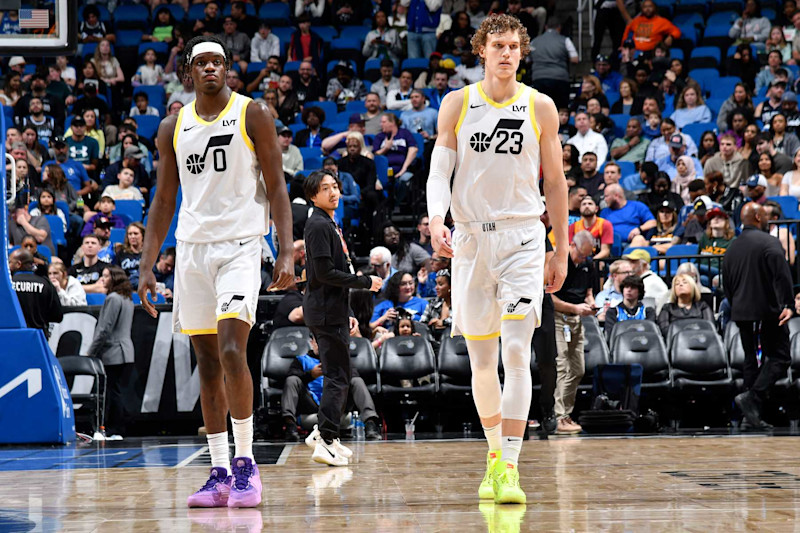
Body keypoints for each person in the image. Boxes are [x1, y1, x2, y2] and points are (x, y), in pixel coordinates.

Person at [137, 36, 295, 509]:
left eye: (218, 62)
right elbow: (165, 199)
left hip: (241, 245)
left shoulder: (253, 114)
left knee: (231, 349)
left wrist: (286, 250)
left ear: (228, 69)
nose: (210, 69)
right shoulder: (172, 126)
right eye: (202, 63)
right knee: (206, 364)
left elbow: (277, 185)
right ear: (188, 71)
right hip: (191, 250)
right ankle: (219, 471)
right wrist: (147, 264)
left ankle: (247, 466)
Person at [426, 14, 568, 504]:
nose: (506, 53)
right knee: (482, 362)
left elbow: (555, 183)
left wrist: (561, 247)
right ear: (480, 50)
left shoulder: (540, 105)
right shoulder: (457, 103)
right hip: (469, 240)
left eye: (514, 46)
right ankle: (492, 456)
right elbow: (439, 167)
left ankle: (510, 465)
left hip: (524, 238)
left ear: (522, 52)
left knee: (515, 351)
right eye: (498, 45)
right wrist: (435, 218)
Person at [301, 170, 383, 465]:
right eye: (325, 189)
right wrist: (363, 282)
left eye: (335, 186)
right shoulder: (319, 225)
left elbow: (332, 272)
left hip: (332, 309)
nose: (333, 192)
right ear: (313, 196)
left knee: (341, 375)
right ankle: (326, 439)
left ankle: (324, 434)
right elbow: (323, 274)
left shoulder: (328, 223)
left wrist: (348, 311)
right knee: (338, 376)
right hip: (324, 311)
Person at [723, 203, 794, 429]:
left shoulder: (731, 247)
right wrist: (789, 304)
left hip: (741, 312)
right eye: (764, 215)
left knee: (751, 360)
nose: (767, 219)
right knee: (780, 357)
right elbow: (782, 275)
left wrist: (737, 306)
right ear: (756, 216)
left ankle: (751, 417)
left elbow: (727, 284)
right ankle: (753, 398)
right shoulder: (769, 242)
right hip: (766, 311)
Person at [282, 331, 381, 442]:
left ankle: (370, 423)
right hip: (310, 403)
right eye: (318, 342)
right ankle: (290, 425)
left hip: (336, 402)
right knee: (292, 380)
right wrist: (310, 375)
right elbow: (290, 379)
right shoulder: (301, 360)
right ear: (312, 343)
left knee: (356, 381)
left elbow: (353, 376)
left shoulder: (341, 360)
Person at [551, 230, 595, 434]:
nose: (583, 259)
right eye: (581, 254)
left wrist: (591, 303)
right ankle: (559, 416)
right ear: (572, 246)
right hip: (558, 318)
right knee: (563, 366)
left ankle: (565, 414)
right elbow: (549, 299)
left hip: (577, 319)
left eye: (587, 255)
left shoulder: (587, 264)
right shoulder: (557, 261)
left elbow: (588, 292)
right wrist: (575, 308)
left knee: (578, 369)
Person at [89, 265, 135, 439]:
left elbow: (104, 329)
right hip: (126, 352)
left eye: (106, 276)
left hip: (113, 353)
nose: (103, 279)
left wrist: (91, 352)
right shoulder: (127, 299)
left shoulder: (113, 299)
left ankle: (114, 429)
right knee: (117, 391)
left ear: (114, 278)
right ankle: (117, 428)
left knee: (111, 393)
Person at [9, 249, 62, 338]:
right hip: (39, 339)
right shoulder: (46, 283)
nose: (8, 265)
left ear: (18, 264)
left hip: (13, 337)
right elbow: (57, 316)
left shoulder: (7, 284)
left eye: (10, 262)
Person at [528, 17, 579, 110]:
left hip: (539, 79)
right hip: (560, 79)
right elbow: (575, 59)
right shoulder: (565, 40)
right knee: (560, 109)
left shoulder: (534, 41)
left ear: (546, 27)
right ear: (559, 28)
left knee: (541, 110)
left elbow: (527, 59)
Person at [603, 274, 656, 342]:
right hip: (619, 348)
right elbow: (610, 336)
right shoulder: (613, 312)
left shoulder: (648, 312)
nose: (629, 290)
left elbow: (650, 334)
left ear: (639, 291)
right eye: (626, 287)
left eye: (633, 287)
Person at [115, 222, 145, 289]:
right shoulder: (121, 253)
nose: (133, 236)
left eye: (136, 234)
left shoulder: (149, 253)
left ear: (142, 235)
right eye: (130, 234)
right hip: (126, 286)